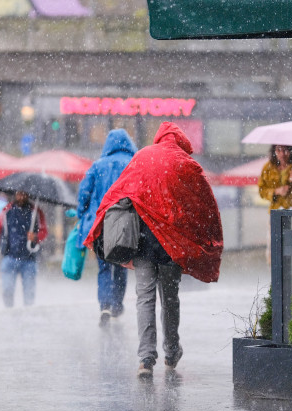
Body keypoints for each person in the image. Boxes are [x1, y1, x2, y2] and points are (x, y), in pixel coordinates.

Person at [84, 122, 223, 378]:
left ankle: (146, 359)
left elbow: (118, 192)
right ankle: (171, 351)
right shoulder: (186, 164)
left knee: (144, 297)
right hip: (171, 244)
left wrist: (96, 225)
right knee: (169, 299)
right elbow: (204, 205)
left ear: (159, 138)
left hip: (144, 241)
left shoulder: (143, 156)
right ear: (181, 141)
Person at [76, 129, 137, 327]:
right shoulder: (134, 164)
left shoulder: (98, 165)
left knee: (103, 267)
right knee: (121, 263)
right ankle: (117, 304)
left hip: (100, 223)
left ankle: (105, 304)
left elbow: (84, 193)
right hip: (125, 223)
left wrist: (81, 213)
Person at [0, 190, 48, 308]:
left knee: (29, 293)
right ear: (14, 194)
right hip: (9, 256)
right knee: (7, 290)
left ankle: (28, 314)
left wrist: (36, 237)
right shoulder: (6, 211)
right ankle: (9, 311)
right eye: (19, 194)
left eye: (24, 194)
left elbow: (44, 231)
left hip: (29, 258)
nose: (21, 197)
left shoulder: (36, 212)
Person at [258, 144, 292, 262]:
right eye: (279, 150)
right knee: (274, 248)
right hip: (276, 212)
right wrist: (275, 191)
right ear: (274, 151)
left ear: (291, 150)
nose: (282, 154)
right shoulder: (268, 168)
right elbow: (262, 190)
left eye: (286, 150)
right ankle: (276, 275)